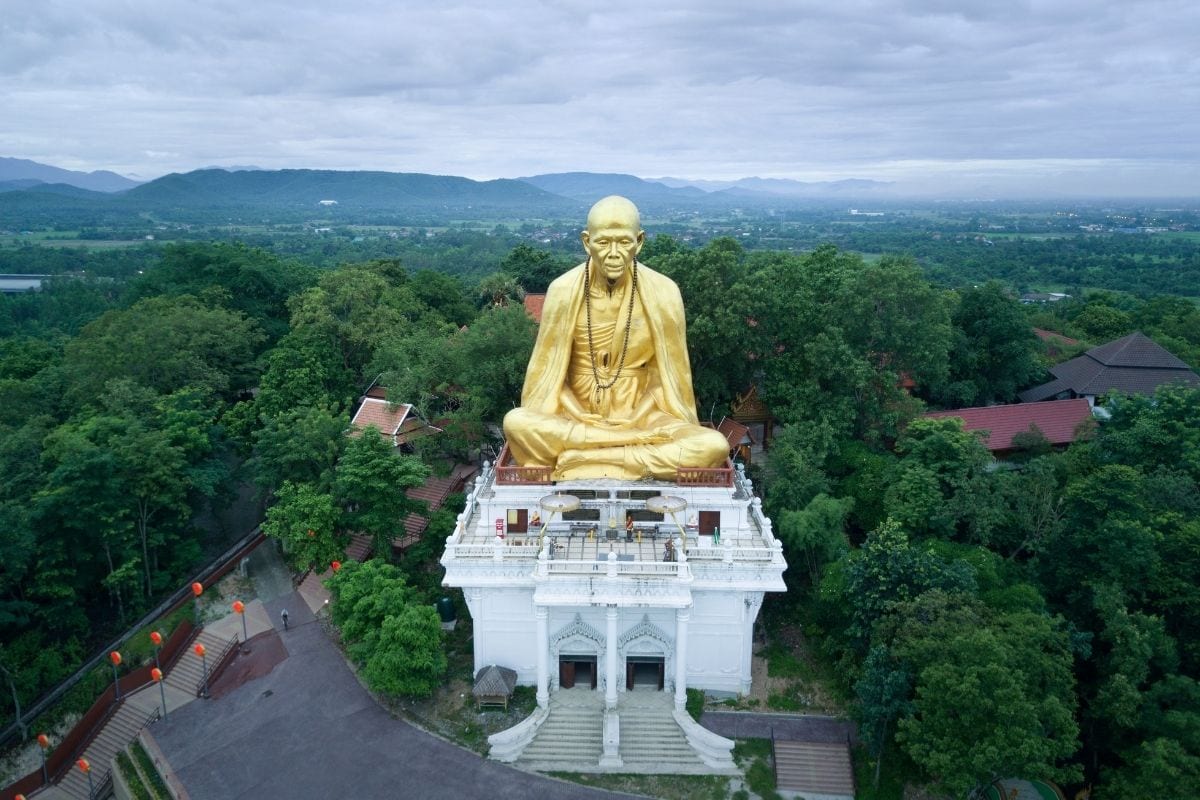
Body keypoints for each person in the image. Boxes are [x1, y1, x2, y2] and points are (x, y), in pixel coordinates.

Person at [503, 196, 728, 481]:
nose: (613, 253)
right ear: (587, 242)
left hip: (644, 419)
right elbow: (547, 379)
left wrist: (636, 422)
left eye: (623, 242)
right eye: (603, 242)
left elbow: (669, 378)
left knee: (713, 446)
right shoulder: (562, 291)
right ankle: (616, 455)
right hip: (578, 419)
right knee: (516, 421)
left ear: (639, 241)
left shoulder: (664, 292)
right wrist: (578, 414)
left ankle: (586, 460)